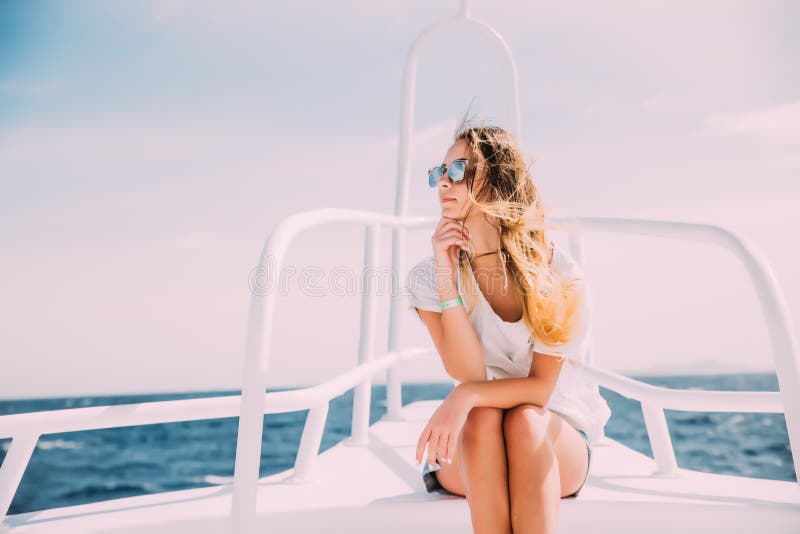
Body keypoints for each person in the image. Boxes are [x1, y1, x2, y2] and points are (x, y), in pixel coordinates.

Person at [405, 118, 611, 534]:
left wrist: (465, 396)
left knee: (524, 420)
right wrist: (448, 273)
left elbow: (539, 390)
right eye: (438, 173)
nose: (443, 183)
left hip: (553, 437)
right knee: (482, 419)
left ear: (498, 181)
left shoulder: (558, 275)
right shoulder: (428, 277)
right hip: (477, 441)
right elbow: (468, 372)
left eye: (458, 170)